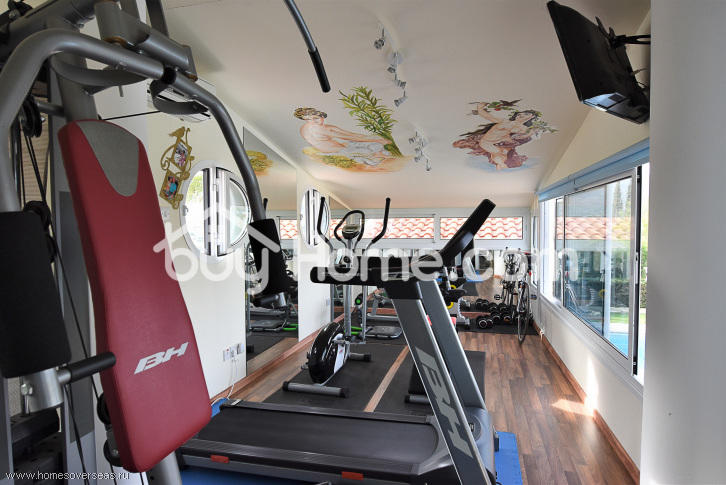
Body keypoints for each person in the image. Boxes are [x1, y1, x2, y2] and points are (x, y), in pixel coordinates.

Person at [453, 102, 543, 169]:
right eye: (520, 113)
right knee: (498, 152)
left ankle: (500, 163)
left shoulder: (523, 128)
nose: (521, 115)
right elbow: (488, 117)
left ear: (531, 117)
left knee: (503, 153)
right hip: (486, 142)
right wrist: (480, 108)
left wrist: (532, 132)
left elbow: (523, 137)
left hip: (497, 142)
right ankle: (500, 164)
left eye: (526, 114)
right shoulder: (505, 121)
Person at [294, 107, 392, 166]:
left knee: (371, 144)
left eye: (316, 118)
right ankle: (379, 153)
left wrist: (373, 138)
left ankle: (378, 149)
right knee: (369, 150)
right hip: (338, 150)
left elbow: (350, 134)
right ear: (306, 119)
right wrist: (378, 140)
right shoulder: (319, 129)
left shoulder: (318, 127)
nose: (314, 121)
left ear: (322, 116)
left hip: (340, 146)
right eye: (309, 119)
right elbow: (349, 137)